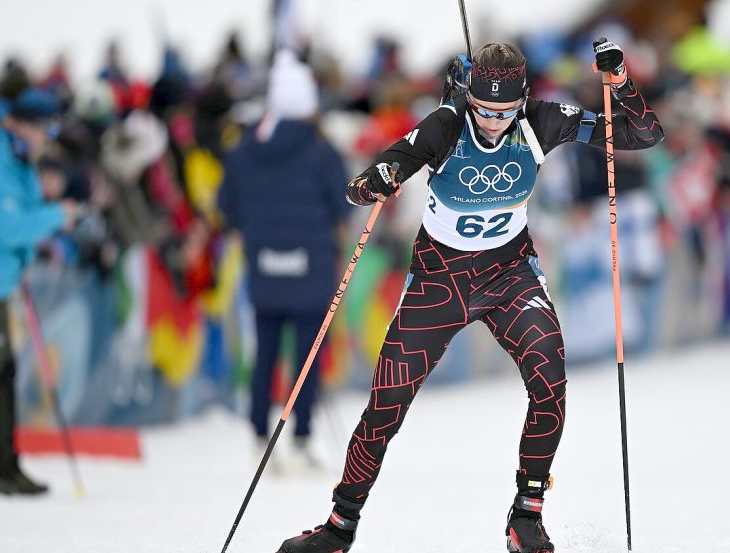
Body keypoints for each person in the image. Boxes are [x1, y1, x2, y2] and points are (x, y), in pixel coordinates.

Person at [278, 39, 663, 553]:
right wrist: (376, 182)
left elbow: (643, 135)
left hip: (509, 276)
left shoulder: (543, 120)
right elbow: (374, 176)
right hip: (441, 282)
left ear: (522, 100)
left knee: (550, 380)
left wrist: (618, 81)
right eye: (483, 109)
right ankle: (338, 527)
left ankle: (527, 515)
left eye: (504, 112)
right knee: (386, 404)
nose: (493, 122)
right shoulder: (447, 123)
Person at [218, 50, 349, 473]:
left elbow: (225, 206)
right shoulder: (323, 151)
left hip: (264, 266)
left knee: (266, 353)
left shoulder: (244, 151)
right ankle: (302, 437)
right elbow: (344, 206)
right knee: (308, 357)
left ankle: (260, 435)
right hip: (311, 268)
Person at [0, 88, 79, 495]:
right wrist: (56, 216)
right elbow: (10, 228)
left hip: (1, 282)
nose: (47, 138)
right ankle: (7, 469)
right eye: (45, 130)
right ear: (20, 125)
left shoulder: (17, 160)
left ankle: (8, 467)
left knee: (1, 374)